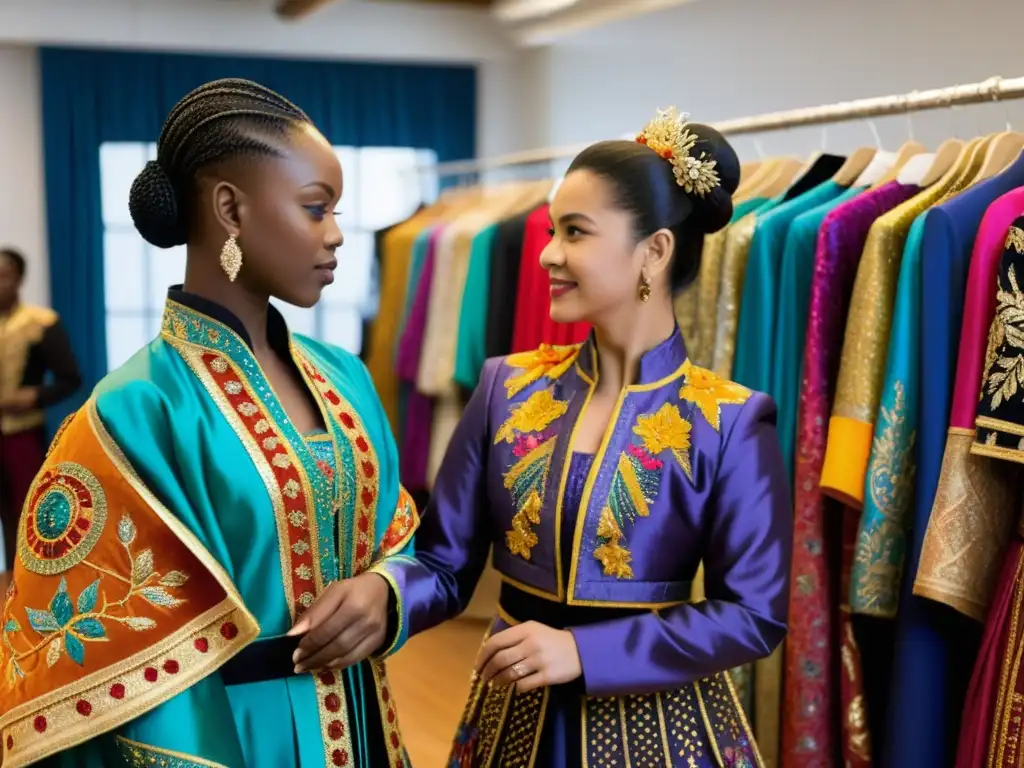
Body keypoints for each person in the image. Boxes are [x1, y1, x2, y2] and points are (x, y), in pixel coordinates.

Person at [0, 79, 418, 768]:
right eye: (316, 209)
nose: (337, 234)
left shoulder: (344, 376)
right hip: (236, 740)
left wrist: (386, 591)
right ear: (230, 208)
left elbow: (397, 537)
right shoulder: (132, 410)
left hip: (368, 721)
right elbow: (111, 659)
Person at [376, 108, 793, 767]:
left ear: (654, 251)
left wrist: (582, 652)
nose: (546, 254)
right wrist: (382, 595)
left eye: (575, 232)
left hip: (662, 731)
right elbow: (443, 563)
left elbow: (753, 615)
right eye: (551, 231)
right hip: (512, 720)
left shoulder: (731, 420)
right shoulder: (505, 390)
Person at [0, 247, 81, 575]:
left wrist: (30, 396)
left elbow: (69, 378)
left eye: (4, 275)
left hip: (23, 433)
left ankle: (29, 585)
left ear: (19, 279)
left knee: (26, 514)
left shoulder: (42, 323)